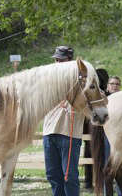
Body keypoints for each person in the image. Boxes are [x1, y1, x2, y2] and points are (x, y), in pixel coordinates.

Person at [43, 46, 85, 196]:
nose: (58, 62)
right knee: (53, 175)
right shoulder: (48, 79)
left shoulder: (80, 80)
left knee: (70, 177)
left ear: (70, 61)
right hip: (49, 133)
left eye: (62, 59)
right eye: (56, 59)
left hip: (70, 134)